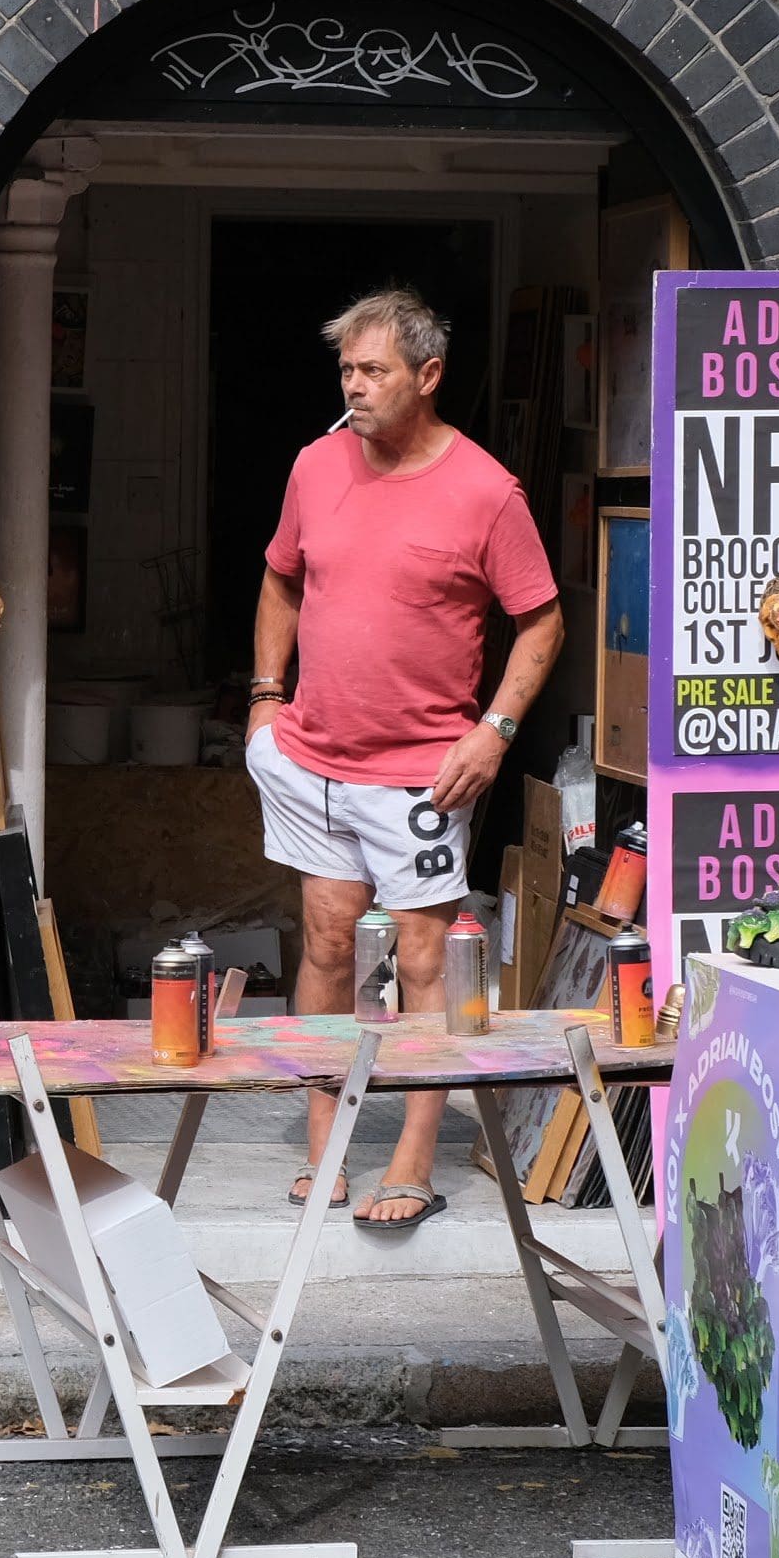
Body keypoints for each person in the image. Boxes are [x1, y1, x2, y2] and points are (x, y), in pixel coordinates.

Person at [245, 287, 566, 1229]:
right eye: (346, 369)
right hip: (311, 759)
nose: (355, 386)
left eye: (374, 370)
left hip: (424, 772)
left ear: (427, 376)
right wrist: (266, 701)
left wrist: (494, 733)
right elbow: (279, 580)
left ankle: (414, 1161)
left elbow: (541, 622)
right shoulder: (315, 464)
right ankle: (327, 1148)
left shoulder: (485, 490)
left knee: (425, 958)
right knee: (326, 941)